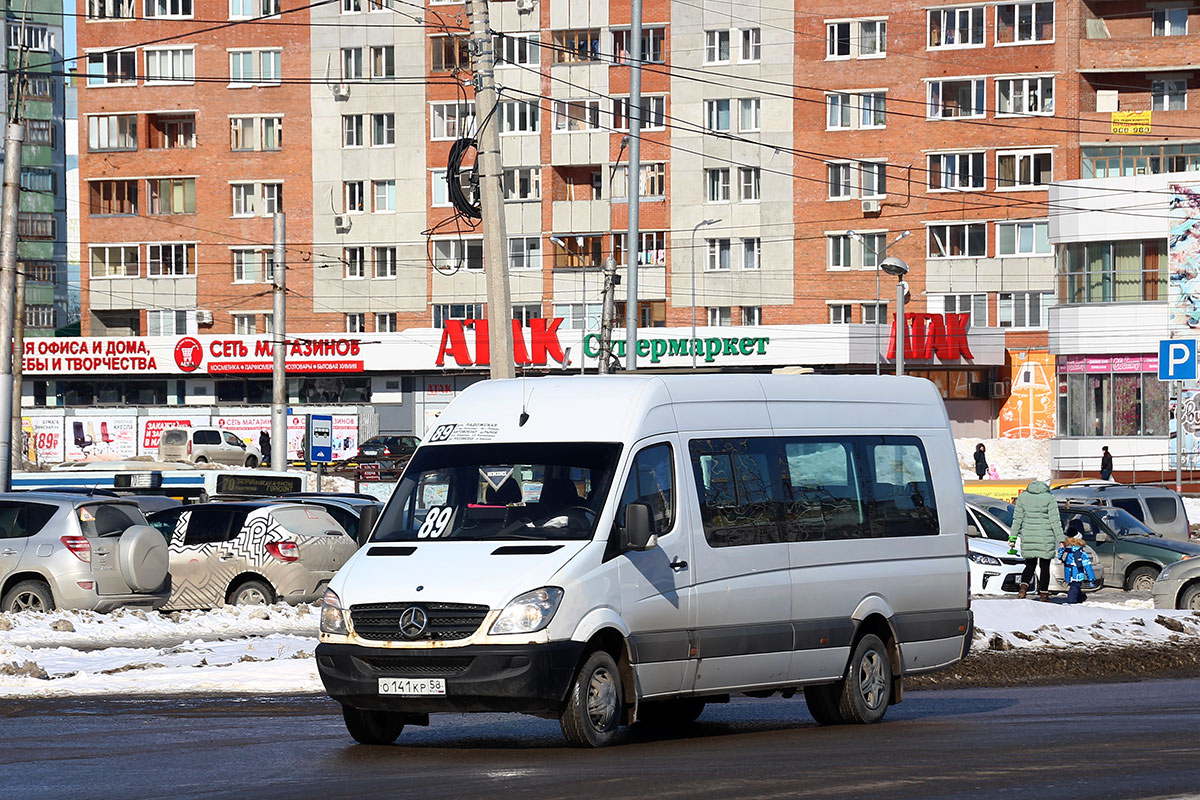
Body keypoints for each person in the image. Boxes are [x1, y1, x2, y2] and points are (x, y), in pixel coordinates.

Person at [1009, 479, 1063, 602]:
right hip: (1045, 536)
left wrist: (1012, 536)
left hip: (1028, 535)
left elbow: (1017, 519)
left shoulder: (1023, 497)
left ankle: (1023, 587)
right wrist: (1061, 538)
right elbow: (1055, 520)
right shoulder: (1049, 498)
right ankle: (1043, 595)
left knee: (1030, 564)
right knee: (1044, 567)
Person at [1057, 520, 1095, 604]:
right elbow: (1087, 566)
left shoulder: (1066, 551)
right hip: (1077, 575)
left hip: (1068, 573)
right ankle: (1072, 603)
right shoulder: (1081, 553)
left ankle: (1080, 597)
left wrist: (1061, 549)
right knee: (1074, 588)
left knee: (1075, 587)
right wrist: (1091, 579)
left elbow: (1060, 557)